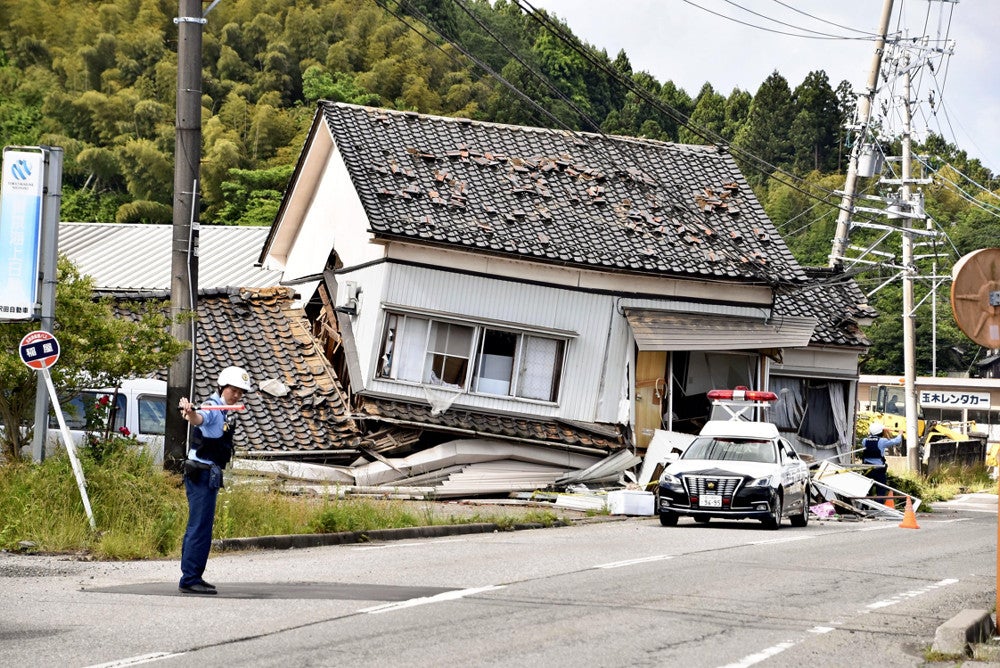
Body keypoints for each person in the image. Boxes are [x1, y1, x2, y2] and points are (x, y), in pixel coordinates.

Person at [177, 366, 252, 595]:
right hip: (200, 475)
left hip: (209, 475)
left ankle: (195, 575)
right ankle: (189, 578)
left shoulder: (224, 411)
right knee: (198, 527)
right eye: (234, 390)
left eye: (241, 392)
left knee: (204, 528)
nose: (237, 395)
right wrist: (189, 412)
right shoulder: (212, 406)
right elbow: (199, 418)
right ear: (222, 387)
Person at [860, 421, 903, 492]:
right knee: (881, 491)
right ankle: (879, 501)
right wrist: (900, 434)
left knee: (867, 491)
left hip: (867, 469)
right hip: (879, 469)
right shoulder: (882, 441)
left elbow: (871, 440)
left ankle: (865, 503)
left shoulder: (864, 441)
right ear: (880, 432)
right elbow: (896, 441)